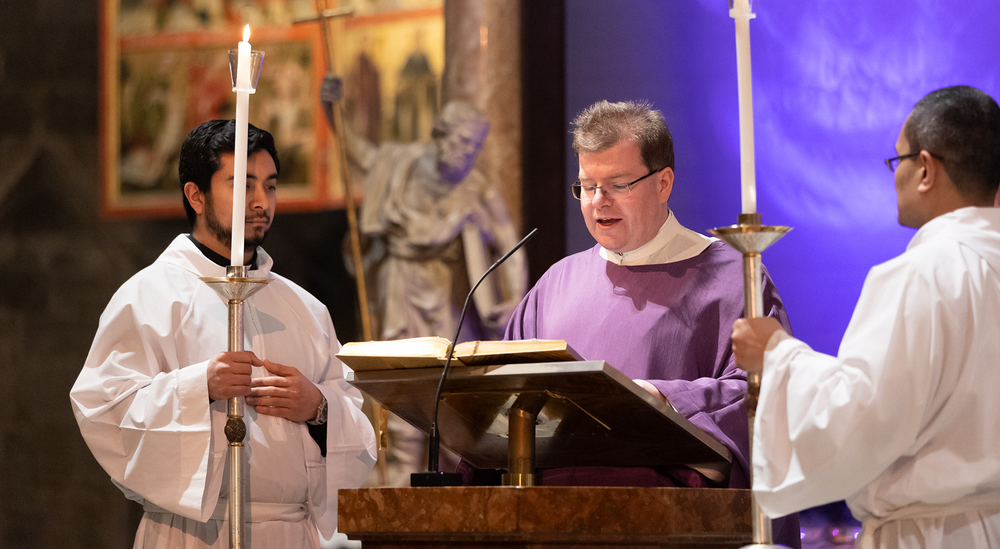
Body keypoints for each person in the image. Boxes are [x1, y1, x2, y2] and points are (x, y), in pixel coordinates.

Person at [500, 100, 798, 545]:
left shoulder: (732, 277)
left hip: (668, 525)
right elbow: (504, 402)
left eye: (617, 185)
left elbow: (767, 397)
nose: (598, 201)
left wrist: (663, 399)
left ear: (663, 183)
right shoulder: (556, 283)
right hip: (549, 525)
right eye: (587, 186)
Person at [70, 120, 377, 548]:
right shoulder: (149, 296)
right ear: (195, 195)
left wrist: (320, 408)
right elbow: (103, 411)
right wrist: (199, 387)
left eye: (270, 186)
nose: (261, 202)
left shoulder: (306, 309)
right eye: (243, 186)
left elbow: (358, 426)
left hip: (289, 533)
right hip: (192, 533)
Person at [732, 85, 1000, 549]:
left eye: (899, 160)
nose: (894, 176)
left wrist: (776, 353)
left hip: (930, 534)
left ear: (926, 169)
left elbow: (860, 419)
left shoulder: (920, 274)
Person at [321, 76, 527, 485]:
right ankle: (399, 476)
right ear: (441, 135)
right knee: (399, 381)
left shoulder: (474, 188)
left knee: (451, 386)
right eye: (462, 143)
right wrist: (334, 111)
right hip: (399, 285)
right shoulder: (401, 164)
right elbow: (357, 153)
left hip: (443, 293)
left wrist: (516, 297)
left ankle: (455, 479)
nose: (467, 155)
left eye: (475, 148)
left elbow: (509, 241)